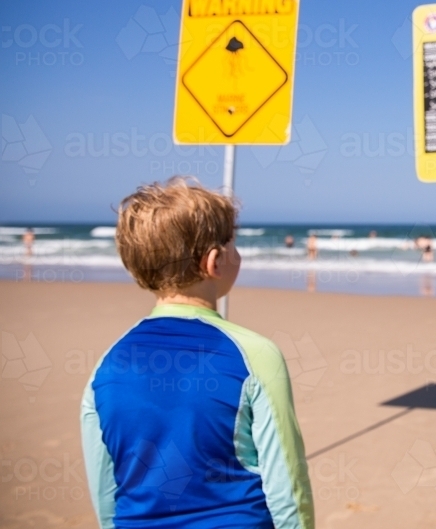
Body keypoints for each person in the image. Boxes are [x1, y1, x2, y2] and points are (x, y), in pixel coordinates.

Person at [81, 178, 314, 528]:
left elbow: (105, 491)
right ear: (215, 261)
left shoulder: (106, 366)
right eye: (234, 246)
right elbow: (287, 484)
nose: (239, 255)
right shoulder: (256, 355)